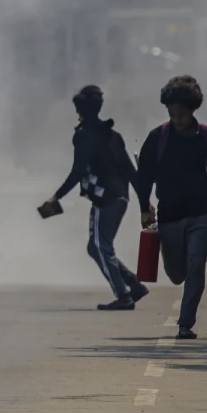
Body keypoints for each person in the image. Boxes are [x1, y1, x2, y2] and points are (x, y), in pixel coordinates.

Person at [136, 75, 207, 340]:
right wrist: (144, 207)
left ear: (192, 110)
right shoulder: (157, 138)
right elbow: (143, 177)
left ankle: (185, 324)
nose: (176, 119)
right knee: (176, 274)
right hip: (169, 217)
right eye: (171, 114)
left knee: (196, 263)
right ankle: (182, 292)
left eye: (181, 114)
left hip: (201, 215)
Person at [42, 85, 148, 311]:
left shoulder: (83, 135)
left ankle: (123, 296)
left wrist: (56, 196)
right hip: (120, 197)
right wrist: (144, 202)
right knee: (96, 247)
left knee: (100, 246)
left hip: (105, 199)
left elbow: (78, 170)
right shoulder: (113, 135)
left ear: (80, 110)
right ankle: (134, 284)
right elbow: (130, 171)